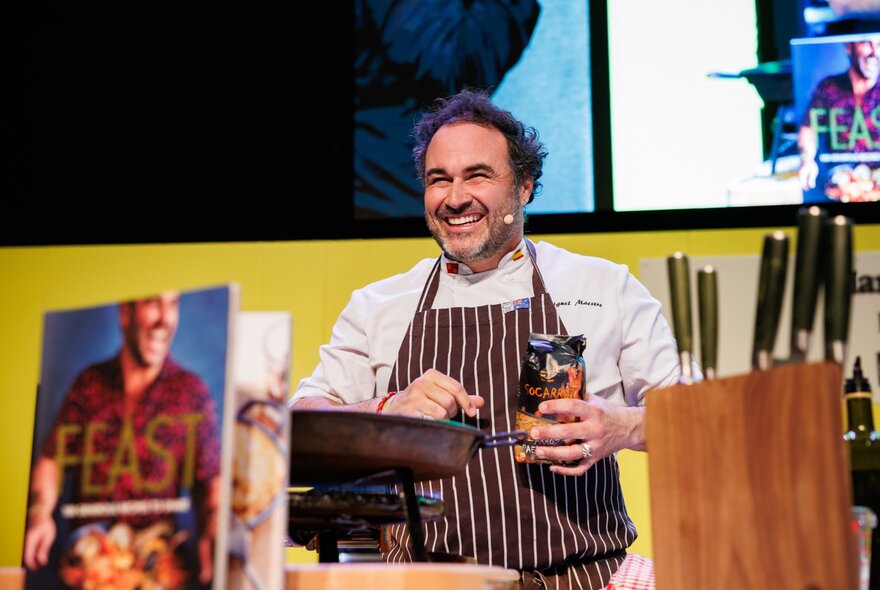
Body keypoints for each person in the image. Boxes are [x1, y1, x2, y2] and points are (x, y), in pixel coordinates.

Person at [291, 89, 686, 588]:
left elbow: (693, 422)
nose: (455, 198)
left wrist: (622, 427)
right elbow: (297, 425)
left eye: (477, 175)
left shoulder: (600, 286)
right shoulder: (379, 305)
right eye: (439, 180)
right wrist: (387, 409)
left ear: (524, 187)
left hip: (587, 578)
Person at [23, 291, 221, 589]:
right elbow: (52, 458)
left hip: (159, 567)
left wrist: (212, 527)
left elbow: (211, 479)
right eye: (153, 303)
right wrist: (40, 514)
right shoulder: (89, 383)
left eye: (173, 305)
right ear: (125, 313)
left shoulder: (191, 390)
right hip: (88, 565)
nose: (164, 319)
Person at [798, 36, 880, 202]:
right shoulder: (829, 87)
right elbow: (809, 128)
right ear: (849, 47)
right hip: (839, 178)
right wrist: (807, 160)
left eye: (879, 45)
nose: (875, 52)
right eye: (866, 43)